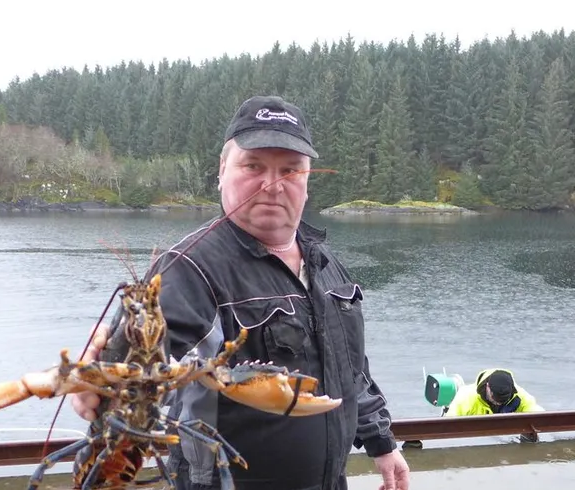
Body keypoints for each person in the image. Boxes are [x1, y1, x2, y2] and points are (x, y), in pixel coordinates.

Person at [70, 95, 410, 490]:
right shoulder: (187, 269)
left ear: (307, 178)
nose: (272, 185)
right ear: (222, 170)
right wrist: (102, 386)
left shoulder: (325, 262)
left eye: (290, 170)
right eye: (253, 166)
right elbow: (142, 369)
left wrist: (381, 442)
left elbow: (351, 368)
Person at [442, 368, 544, 442]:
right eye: (495, 398)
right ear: (487, 387)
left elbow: (539, 415)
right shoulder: (465, 398)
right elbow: (446, 428)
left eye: (503, 400)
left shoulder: (520, 396)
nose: (498, 402)